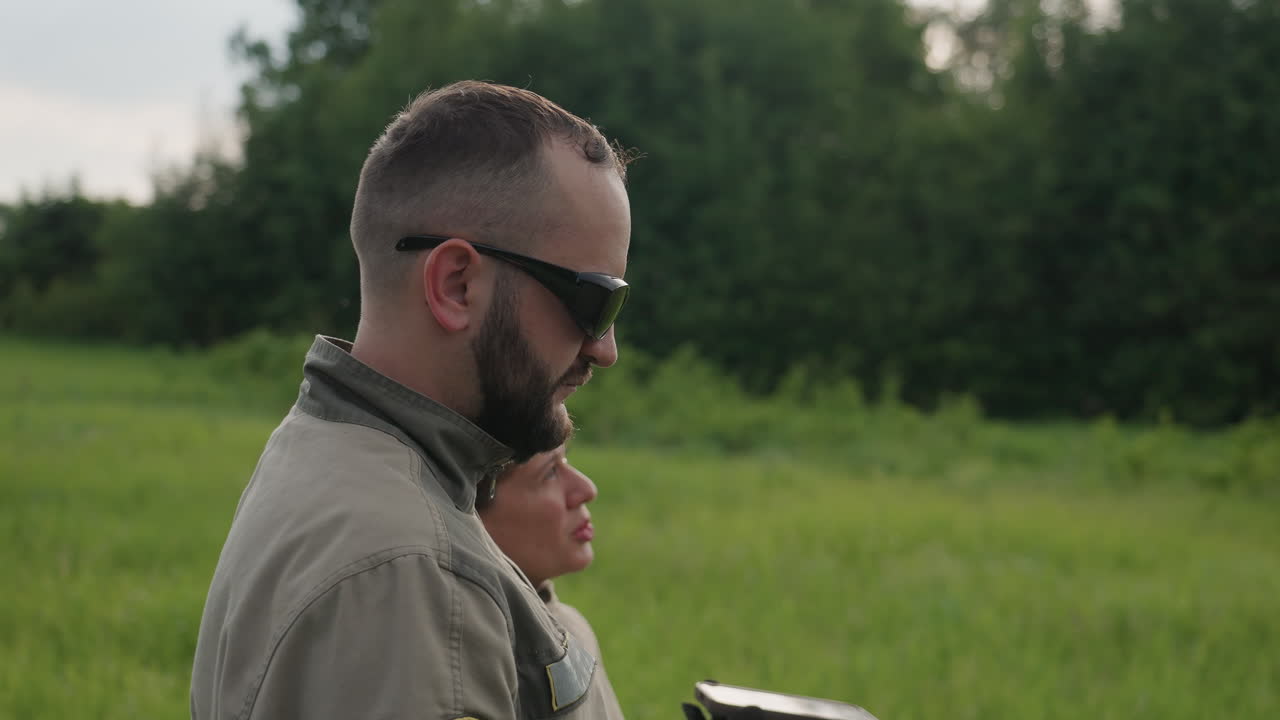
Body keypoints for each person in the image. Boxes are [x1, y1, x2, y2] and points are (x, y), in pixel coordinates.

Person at [191, 80, 635, 720]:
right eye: (594, 302)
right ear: (456, 284)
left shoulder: (321, 446)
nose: (605, 349)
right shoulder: (414, 572)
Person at [476, 444, 624, 720]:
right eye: (550, 472)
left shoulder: (572, 626)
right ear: (472, 515)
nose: (586, 489)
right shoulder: (472, 657)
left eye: (566, 460)